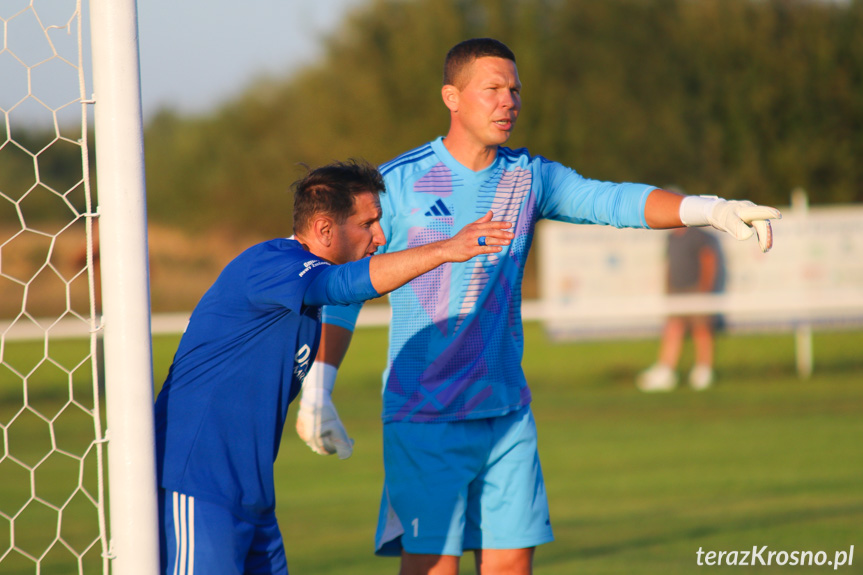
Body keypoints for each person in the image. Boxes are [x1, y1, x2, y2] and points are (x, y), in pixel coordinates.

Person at [295, 39, 781, 575]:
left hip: (507, 413)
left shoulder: (531, 176)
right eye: (493, 89)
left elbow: (610, 200)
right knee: (433, 567)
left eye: (515, 90)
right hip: (424, 415)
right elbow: (345, 286)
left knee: (510, 567)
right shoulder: (396, 184)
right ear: (451, 97)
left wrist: (707, 208)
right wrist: (319, 386)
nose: (509, 102)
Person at [153, 159, 514, 575]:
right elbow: (343, 286)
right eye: (368, 223)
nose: (380, 236)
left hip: (250, 497)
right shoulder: (271, 264)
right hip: (196, 486)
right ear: (325, 229)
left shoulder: (299, 294)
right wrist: (446, 249)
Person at [637, 225, 727, 392]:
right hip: (676, 290)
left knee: (701, 329)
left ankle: (703, 370)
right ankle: (666, 370)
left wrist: (705, 289)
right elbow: (669, 264)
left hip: (696, 289)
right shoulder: (671, 237)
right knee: (673, 328)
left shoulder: (698, 235)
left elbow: (708, 259)